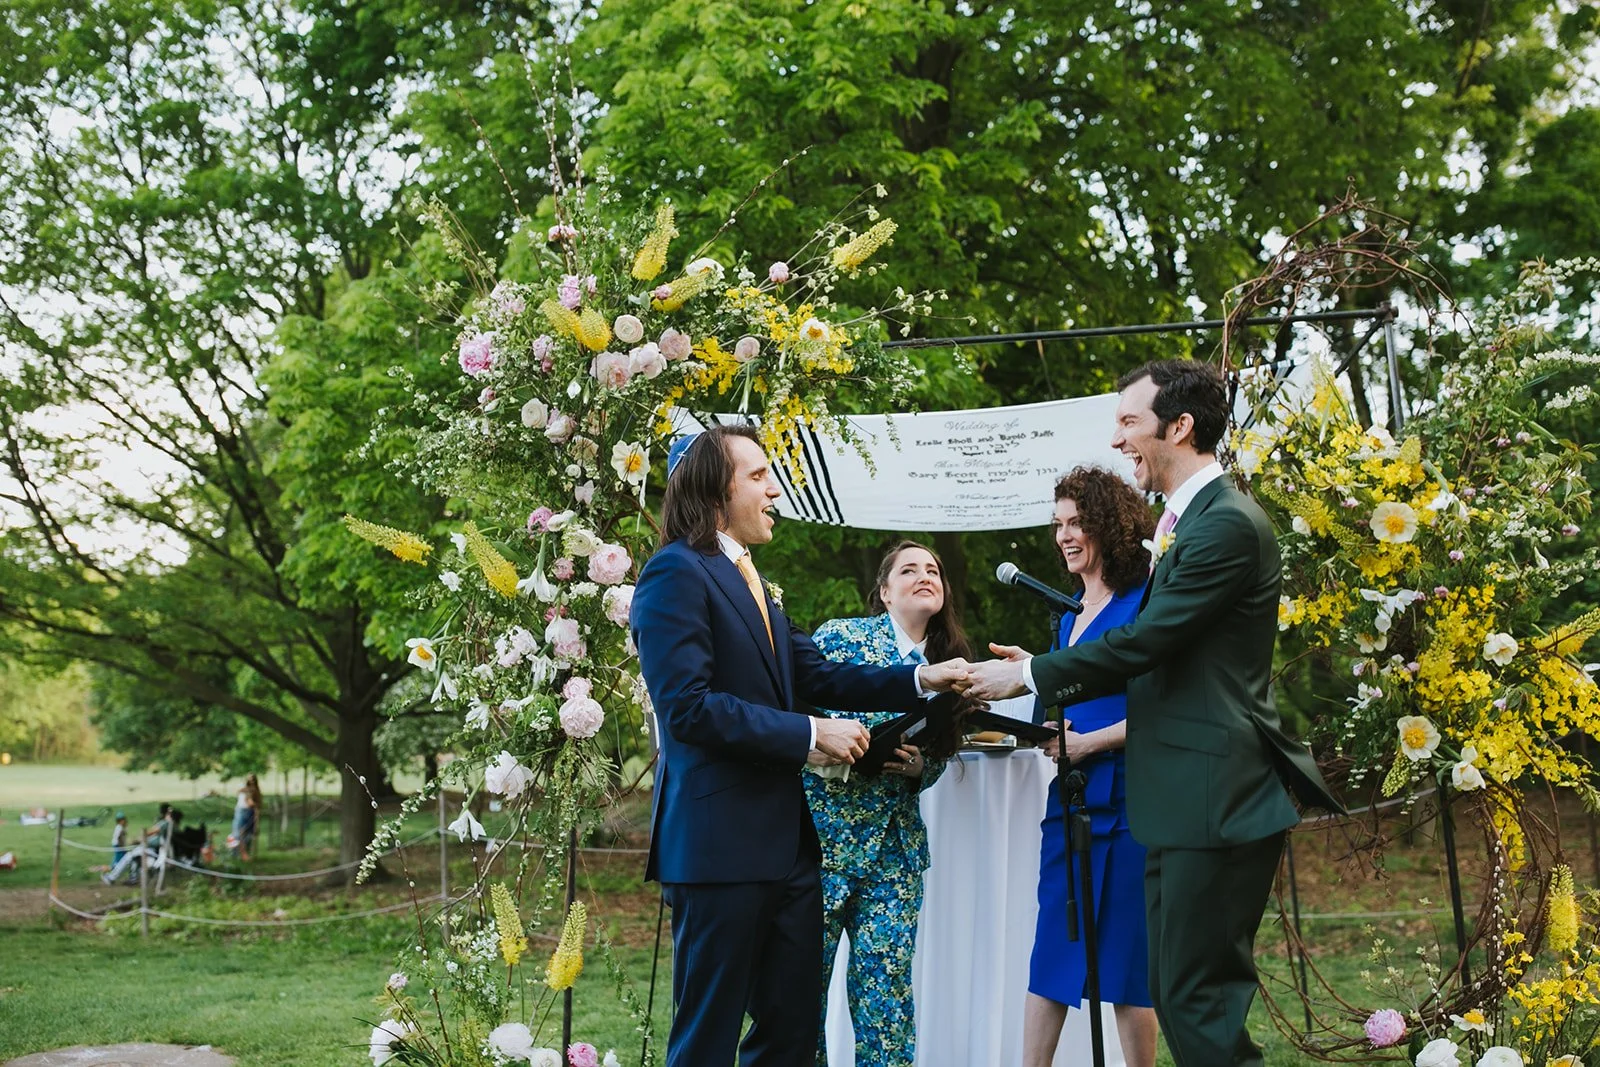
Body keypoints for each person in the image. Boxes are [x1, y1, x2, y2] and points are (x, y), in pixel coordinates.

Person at [965, 360, 1342, 1067]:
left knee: (1197, 1002)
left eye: (1129, 422)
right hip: (1181, 801)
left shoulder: (1225, 522)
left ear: (1180, 426)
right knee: (1177, 993)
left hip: (1214, 795)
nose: (1117, 439)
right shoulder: (1190, 521)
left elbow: (1147, 642)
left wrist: (1026, 673)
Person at [630, 424, 970, 1067]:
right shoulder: (673, 572)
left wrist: (923, 677)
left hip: (788, 849)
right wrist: (813, 734)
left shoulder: (752, 581)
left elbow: (816, 672)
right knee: (707, 1035)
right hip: (717, 848)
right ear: (713, 487)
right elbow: (687, 708)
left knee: (789, 1034)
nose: (776, 489)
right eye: (758, 476)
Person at [806, 540, 974, 1067]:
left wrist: (923, 767)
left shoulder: (951, 665)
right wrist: (869, 746)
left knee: (887, 1002)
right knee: (799, 996)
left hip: (896, 857)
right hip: (822, 848)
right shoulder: (839, 637)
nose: (925, 576)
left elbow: (943, 750)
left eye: (934, 570)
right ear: (883, 591)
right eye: (909, 569)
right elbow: (810, 713)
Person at [1023, 467, 1157, 1067]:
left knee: (1128, 962)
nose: (1064, 536)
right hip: (1071, 800)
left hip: (1132, 799)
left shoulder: (1145, 604)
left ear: (1110, 526)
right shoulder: (1066, 616)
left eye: (1077, 523)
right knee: (1052, 952)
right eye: (1058, 525)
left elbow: (1167, 711)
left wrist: (1092, 742)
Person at [231, 773, 262, 860]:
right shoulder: (245, 790)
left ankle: (244, 854)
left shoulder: (254, 791)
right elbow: (248, 801)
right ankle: (238, 854)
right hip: (242, 811)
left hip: (248, 812)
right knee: (238, 833)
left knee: (246, 833)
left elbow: (253, 803)